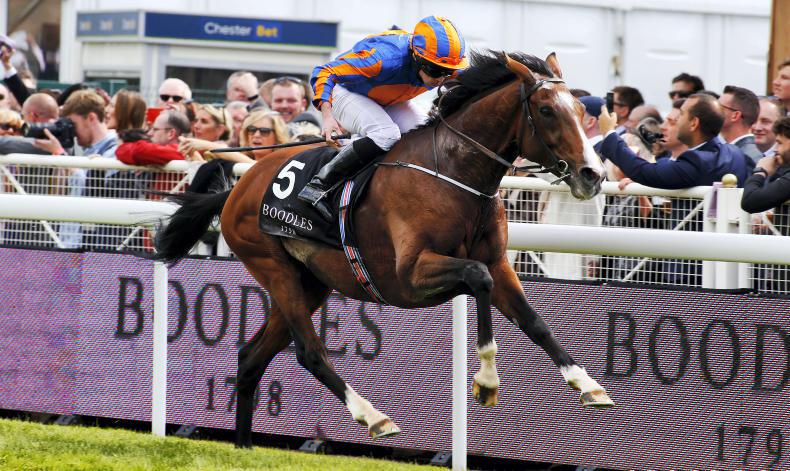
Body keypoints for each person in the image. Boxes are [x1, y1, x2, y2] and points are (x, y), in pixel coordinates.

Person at [298, 15, 469, 220]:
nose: (441, 79)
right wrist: (327, 117)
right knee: (386, 134)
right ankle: (319, 185)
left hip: (387, 99)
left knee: (427, 138)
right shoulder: (383, 59)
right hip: (344, 92)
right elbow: (324, 71)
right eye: (435, 70)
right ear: (416, 57)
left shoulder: (446, 65)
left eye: (448, 72)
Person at [598, 93, 753, 189]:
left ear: (694, 123)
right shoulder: (735, 153)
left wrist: (609, 133)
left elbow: (644, 171)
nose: (677, 121)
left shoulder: (696, 161)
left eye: (681, 115)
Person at [718, 85, 761, 163]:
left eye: (718, 107)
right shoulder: (732, 151)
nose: (713, 111)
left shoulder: (748, 156)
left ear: (735, 115)